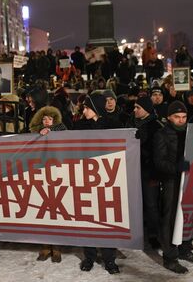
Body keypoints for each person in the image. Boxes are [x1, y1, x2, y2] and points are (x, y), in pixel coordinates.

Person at [153, 101, 193, 274]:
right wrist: (176, 168)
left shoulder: (190, 133)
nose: (181, 120)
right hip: (171, 183)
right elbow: (158, 162)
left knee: (188, 215)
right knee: (170, 219)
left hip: (190, 181)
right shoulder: (162, 135)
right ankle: (170, 257)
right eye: (177, 117)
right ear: (169, 117)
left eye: (184, 117)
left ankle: (185, 249)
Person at [74, 92, 120, 274]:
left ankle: (109, 259)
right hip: (85, 178)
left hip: (107, 179)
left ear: (95, 109)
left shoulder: (112, 125)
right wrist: (49, 130)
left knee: (107, 219)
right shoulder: (79, 126)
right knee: (88, 218)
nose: (83, 110)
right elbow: (63, 137)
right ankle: (89, 256)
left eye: (86, 108)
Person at [29, 106, 66, 263]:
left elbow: (66, 138)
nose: (46, 122)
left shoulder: (61, 131)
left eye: (50, 119)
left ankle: (56, 247)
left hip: (57, 174)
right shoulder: (34, 134)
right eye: (44, 119)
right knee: (42, 210)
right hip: (40, 174)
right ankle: (44, 246)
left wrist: (52, 132)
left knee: (56, 210)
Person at [127, 96, 164, 249]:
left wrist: (141, 147)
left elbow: (159, 152)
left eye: (138, 108)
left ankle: (153, 235)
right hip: (133, 171)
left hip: (150, 173)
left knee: (151, 204)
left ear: (146, 110)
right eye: (134, 107)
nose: (134, 110)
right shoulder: (131, 123)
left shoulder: (156, 126)